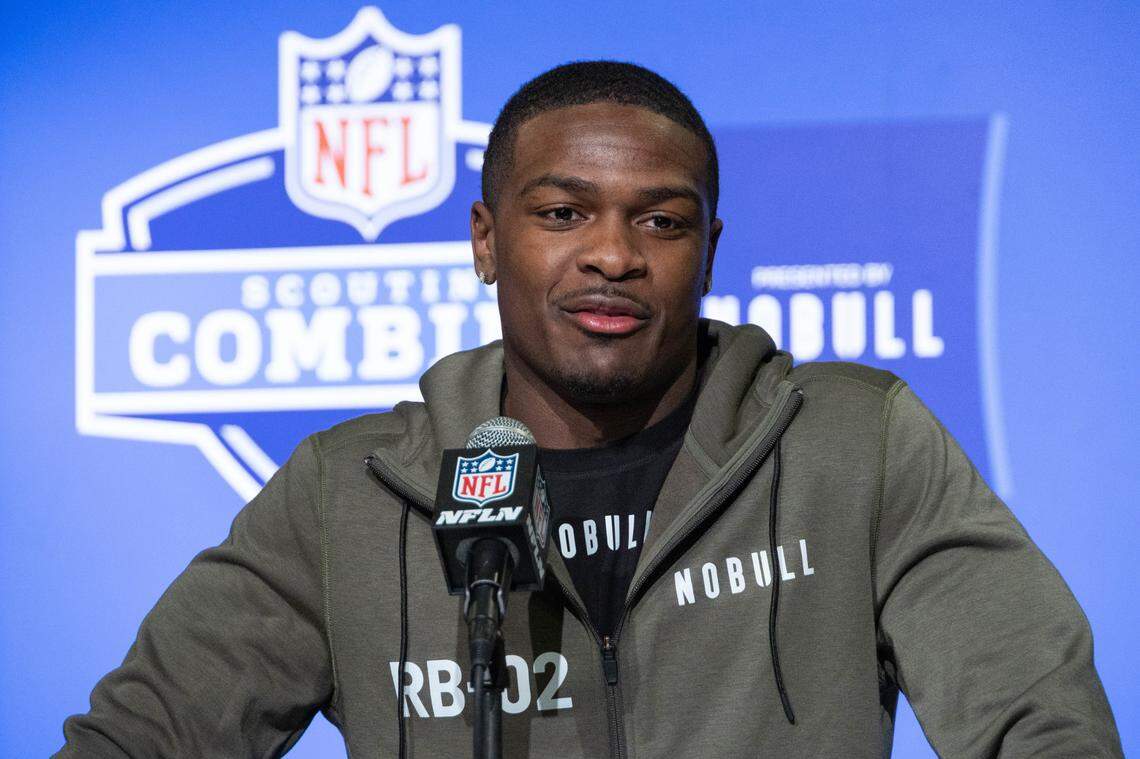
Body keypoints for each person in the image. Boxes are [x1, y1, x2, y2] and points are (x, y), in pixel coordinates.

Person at [57, 61, 1122, 758]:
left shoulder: (854, 443)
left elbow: (1042, 720)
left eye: (661, 221)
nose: (613, 255)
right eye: (563, 213)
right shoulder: (350, 495)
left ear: (709, 251)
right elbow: (140, 735)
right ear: (485, 240)